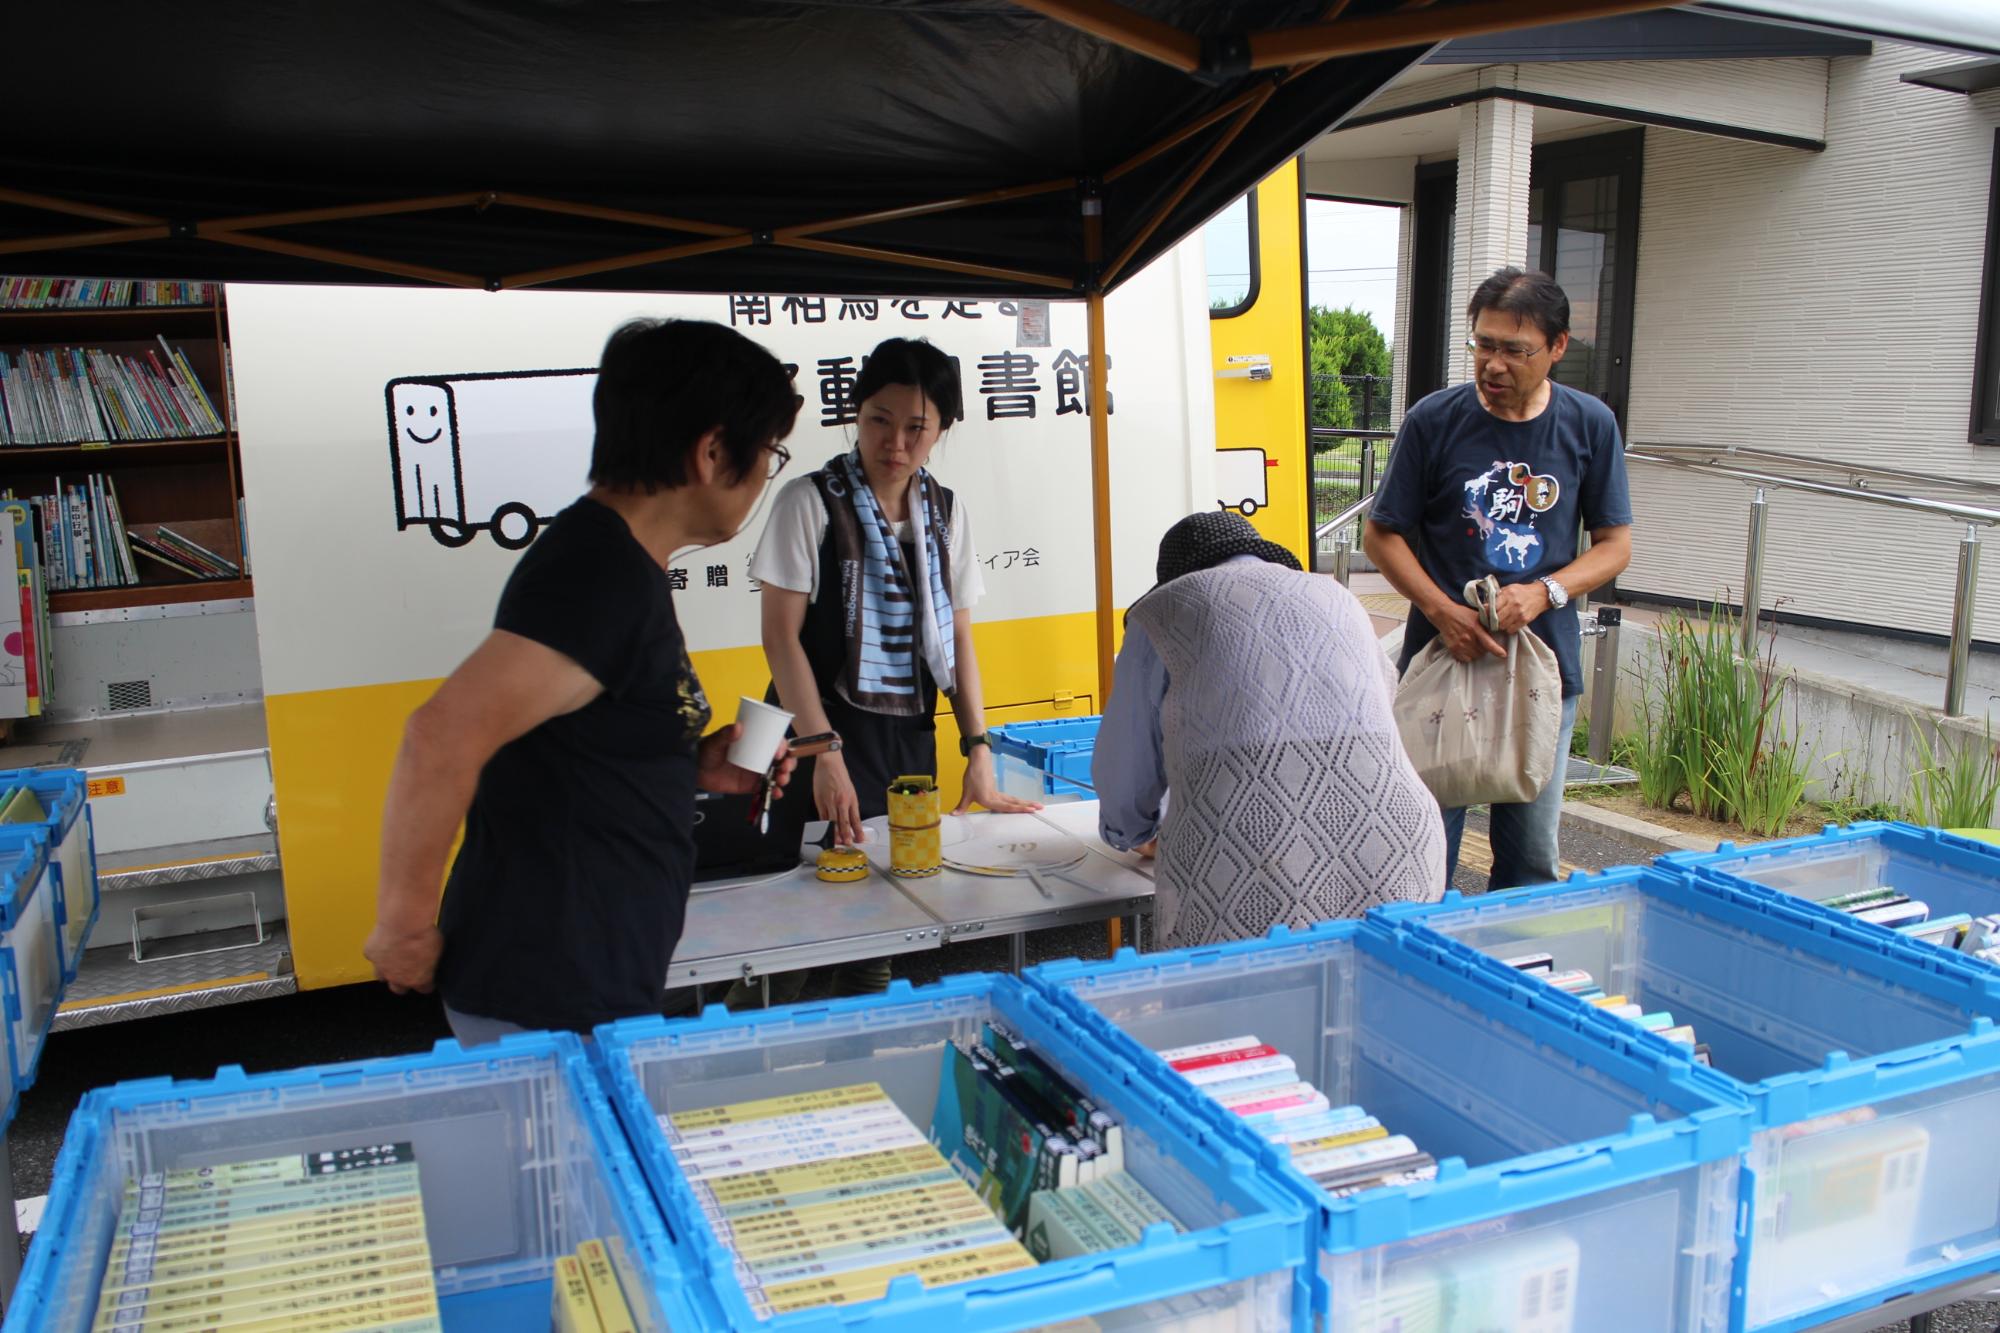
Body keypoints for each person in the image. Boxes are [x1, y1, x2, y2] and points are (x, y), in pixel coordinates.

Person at [363, 318, 803, 1043]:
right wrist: (404, 925)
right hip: (548, 985)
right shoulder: (599, 577)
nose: (764, 475)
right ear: (713, 451)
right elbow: (440, 735)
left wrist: (694, 763)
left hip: (576, 977)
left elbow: (571, 738)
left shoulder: (616, 564)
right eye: (769, 453)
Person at [740, 337, 1040, 1002]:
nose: (896, 443)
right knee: (791, 932)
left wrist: (979, 750)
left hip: (903, 739)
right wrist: (824, 752)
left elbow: (959, 636)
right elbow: (779, 638)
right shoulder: (808, 502)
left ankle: (861, 1059)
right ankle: (744, 1057)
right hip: (806, 738)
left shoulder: (946, 511)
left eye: (916, 427)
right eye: (879, 419)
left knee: (885, 921)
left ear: (941, 431)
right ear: (856, 413)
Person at [1363, 267, 1633, 891]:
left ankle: (1516, 974)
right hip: (1442, 657)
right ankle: (1424, 968)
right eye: (1483, 345)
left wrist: (1544, 593)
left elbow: (1614, 547)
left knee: (1532, 854)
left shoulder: (1589, 424)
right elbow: (1383, 534)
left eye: (1516, 350)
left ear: (1558, 348)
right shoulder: (1435, 419)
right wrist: (1442, 611)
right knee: (1425, 840)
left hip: (1541, 664)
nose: (1494, 364)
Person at [1093, 511, 1446, 949]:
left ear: (1173, 579)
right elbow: (1378, 709)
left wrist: (1133, 833)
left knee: (1245, 1007)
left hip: (1247, 849)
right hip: (1398, 835)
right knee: (1376, 1000)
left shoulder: (1162, 612)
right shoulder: (1335, 595)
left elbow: (1127, 770)